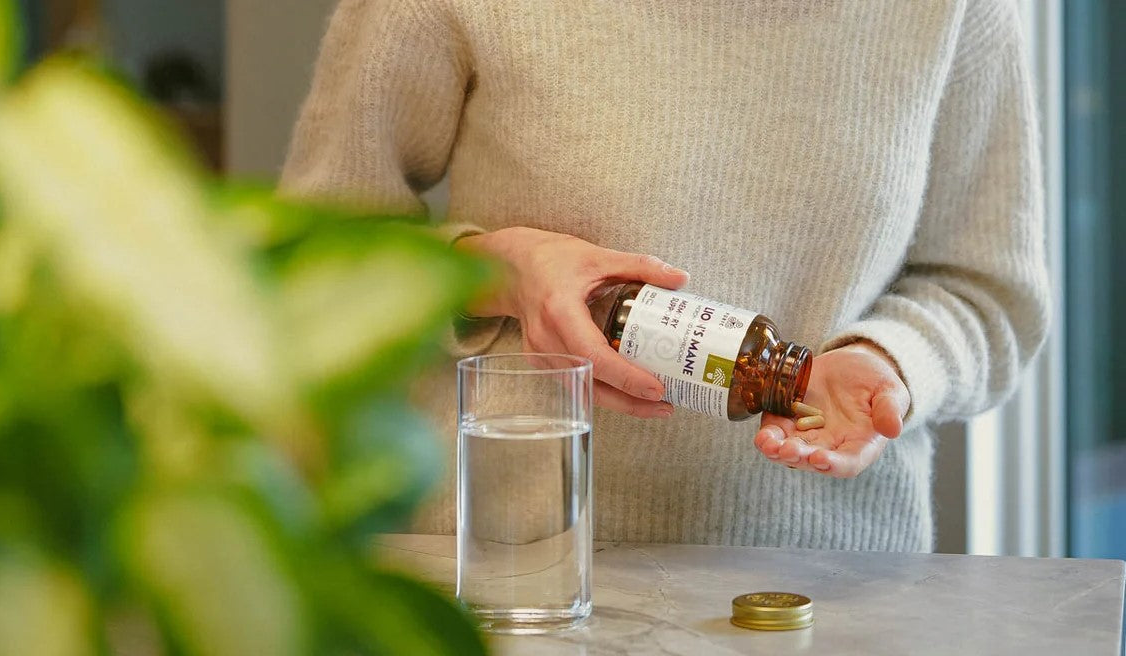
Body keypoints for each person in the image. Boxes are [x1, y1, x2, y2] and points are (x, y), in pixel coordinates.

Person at [281, 0, 1049, 551]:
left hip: (829, 584)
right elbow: (308, 255)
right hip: (518, 573)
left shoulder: (954, 12)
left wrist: (890, 365)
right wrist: (491, 273)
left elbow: (985, 294)